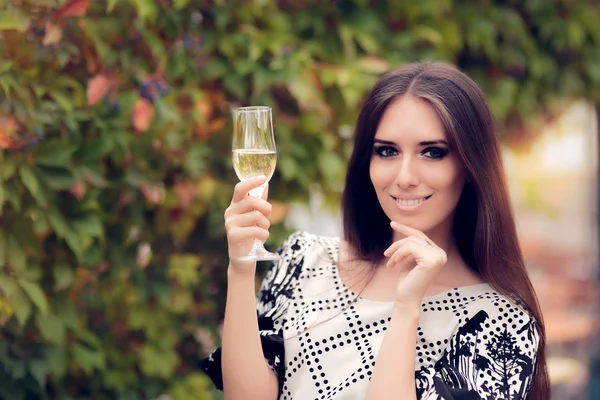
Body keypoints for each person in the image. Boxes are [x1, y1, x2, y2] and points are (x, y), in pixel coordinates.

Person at [199, 61, 550, 400]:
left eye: (432, 152)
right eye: (387, 151)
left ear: (471, 166)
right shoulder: (306, 260)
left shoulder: (502, 323)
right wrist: (241, 268)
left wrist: (407, 305)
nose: (405, 177)